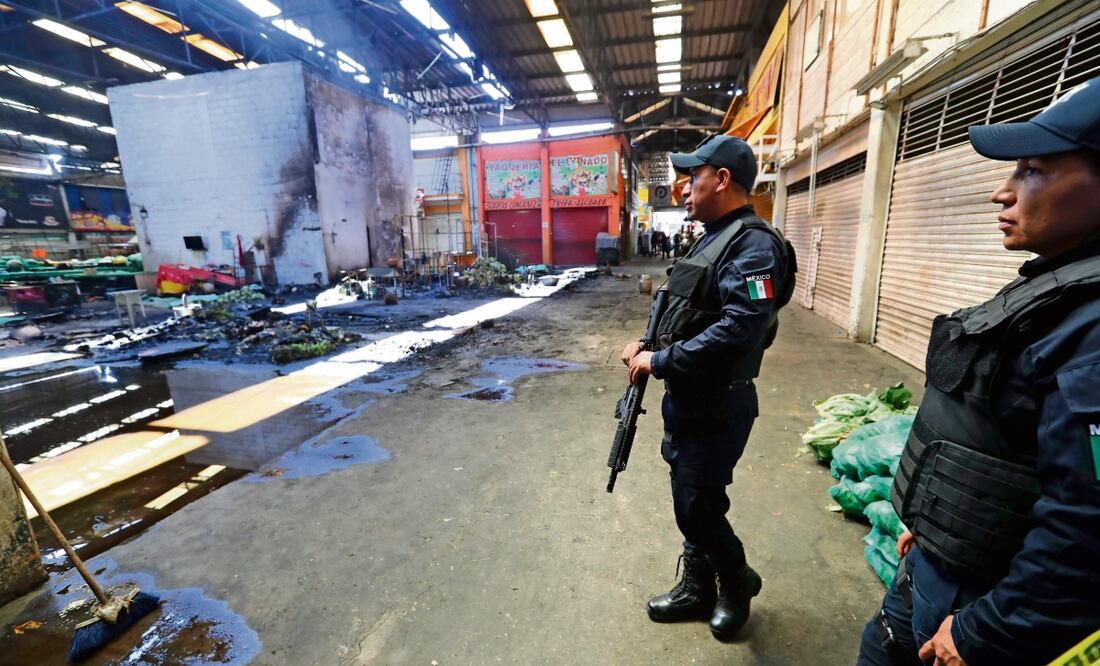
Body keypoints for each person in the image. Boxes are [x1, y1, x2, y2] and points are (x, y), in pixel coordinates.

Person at [857, 76, 1100, 665]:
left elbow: (1087, 524)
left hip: (983, 611)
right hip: (940, 567)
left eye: (1032, 171)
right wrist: (936, 526)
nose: (1001, 192)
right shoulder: (1056, 288)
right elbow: (1003, 439)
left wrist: (985, 632)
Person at [620, 134, 796, 640]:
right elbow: (690, 311)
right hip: (691, 398)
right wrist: (646, 344)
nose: (684, 187)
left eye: (693, 177)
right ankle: (698, 587)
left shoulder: (754, 246)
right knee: (691, 497)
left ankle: (737, 582)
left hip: (720, 401)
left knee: (698, 505)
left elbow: (742, 327)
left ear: (721, 179)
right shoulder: (713, 237)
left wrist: (661, 361)